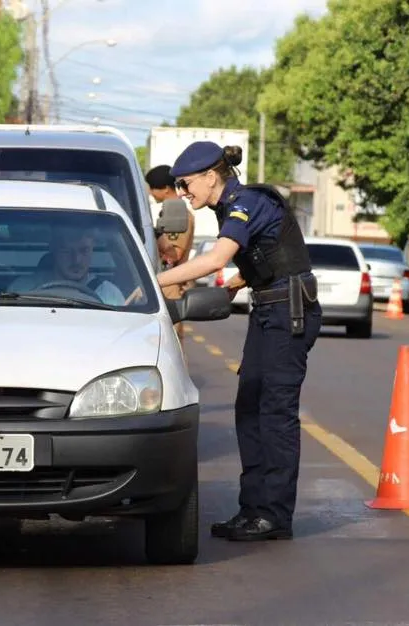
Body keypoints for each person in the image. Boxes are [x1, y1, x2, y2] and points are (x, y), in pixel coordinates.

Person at [156, 141, 322, 542]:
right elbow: (269, 251)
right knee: (249, 407)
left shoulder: (246, 201)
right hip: (269, 309)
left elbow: (215, 258)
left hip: (288, 313)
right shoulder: (229, 205)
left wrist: (151, 282)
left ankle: (274, 515)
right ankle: (253, 509)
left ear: (211, 176)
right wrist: (240, 280)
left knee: (274, 413)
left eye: (185, 183)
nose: (182, 192)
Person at [8, 225, 126, 306]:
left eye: (84, 250)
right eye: (67, 251)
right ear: (54, 250)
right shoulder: (23, 290)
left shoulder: (110, 295)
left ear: (93, 249)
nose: (76, 260)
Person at [145, 164, 196, 344]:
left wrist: (156, 235)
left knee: (169, 342)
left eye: (152, 188)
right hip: (160, 281)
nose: (150, 193)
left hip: (170, 284)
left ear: (165, 189)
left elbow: (173, 254)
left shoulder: (178, 215)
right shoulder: (167, 212)